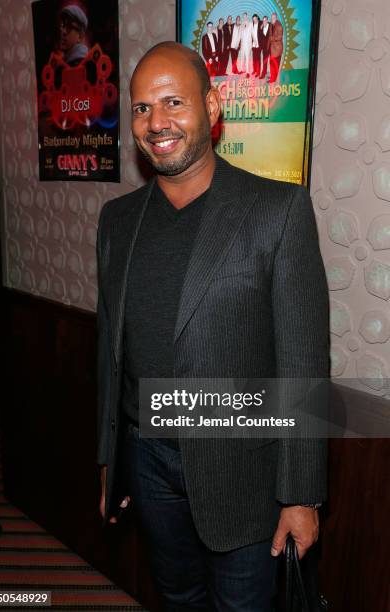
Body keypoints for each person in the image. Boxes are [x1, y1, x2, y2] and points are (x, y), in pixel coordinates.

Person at [97, 41, 330, 611]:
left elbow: (303, 362)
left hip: (243, 470)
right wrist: (110, 458)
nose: (157, 123)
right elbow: (110, 350)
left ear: (213, 105)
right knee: (176, 597)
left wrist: (301, 496)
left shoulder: (279, 211)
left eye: (174, 102)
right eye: (141, 108)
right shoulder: (117, 220)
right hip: (147, 460)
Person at [269, 12, 284, 83]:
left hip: (277, 49)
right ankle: (273, 77)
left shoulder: (279, 26)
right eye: (271, 18)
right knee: (272, 63)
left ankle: (273, 79)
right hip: (273, 48)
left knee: (274, 64)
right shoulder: (272, 24)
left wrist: (272, 38)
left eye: (273, 18)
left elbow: (280, 37)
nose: (272, 19)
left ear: (276, 18)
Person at [239, 12, 253, 77]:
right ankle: (242, 70)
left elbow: (252, 34)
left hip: (248, 44)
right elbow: (240, 35)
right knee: (242, 57)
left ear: (247, 16)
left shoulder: (250, 24)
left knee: (247, 58)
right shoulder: (241, 25)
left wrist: (252, 44)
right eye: (243, 16)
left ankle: (247, 71)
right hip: (242, 45)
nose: (244, 17)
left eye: (245, 16)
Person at [259, 15, 271, 79]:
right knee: (264, 61)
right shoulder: (261, 28)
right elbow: (260, 37)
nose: (264, 21)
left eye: (265, 20)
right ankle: (264, 73)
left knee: (272, 62)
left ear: (267, 20)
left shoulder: (271, 26)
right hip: (264, 48)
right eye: (263, 20)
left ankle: (272, 75)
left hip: (271, 47)